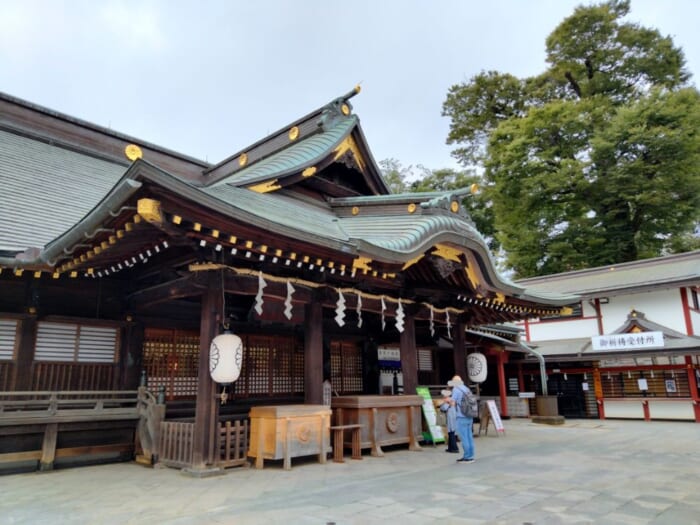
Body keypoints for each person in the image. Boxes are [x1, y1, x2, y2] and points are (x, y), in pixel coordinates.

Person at [447, 375, 475, 463]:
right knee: (469, 436)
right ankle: (471, 455)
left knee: (464, 437)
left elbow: (452, 403)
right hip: (469, 415)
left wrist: (447, 400)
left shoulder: (456, 389)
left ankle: (467, 457)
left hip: (461, 416)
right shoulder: (466, 389)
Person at [438, 388, 459, 453]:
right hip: (454, 415)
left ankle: (454, 448)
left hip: (450, 416)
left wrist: (441, 405)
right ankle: (450, 448)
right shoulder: (453, 399)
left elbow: (444, 408)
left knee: (451, 432)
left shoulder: (447, 400)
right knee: (451, 432)